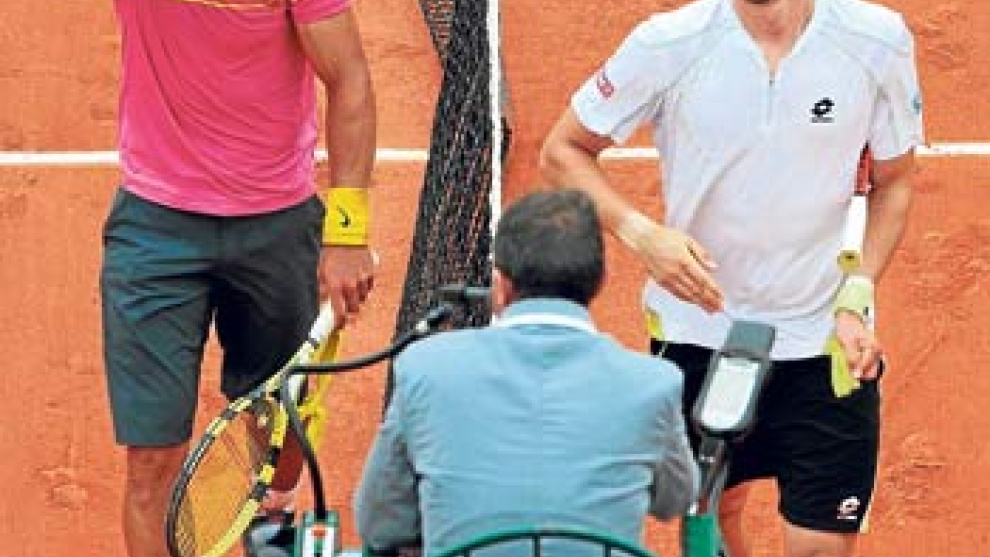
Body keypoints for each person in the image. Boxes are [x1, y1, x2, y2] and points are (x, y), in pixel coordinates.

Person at [540, 0, 922, 556]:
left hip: (826, 342)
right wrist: (643, 236)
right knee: (713, 523)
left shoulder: (876, 40)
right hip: (699, 334)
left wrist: (856, 293)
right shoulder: (668, 44)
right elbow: (563, 150)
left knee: (820, 547)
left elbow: (896, 182)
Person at [100, 1, 377, 556]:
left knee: (280, 425)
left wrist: (347, 232)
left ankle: (274, 517)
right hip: (156, 230)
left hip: (278, 224)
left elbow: (349, 78)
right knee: (151, 461)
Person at [354, 189, 699, 556]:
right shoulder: (653, 384)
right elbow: (675, 500)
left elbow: (380, 522)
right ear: (600, 281)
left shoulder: (424, 368)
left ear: (500, 285)